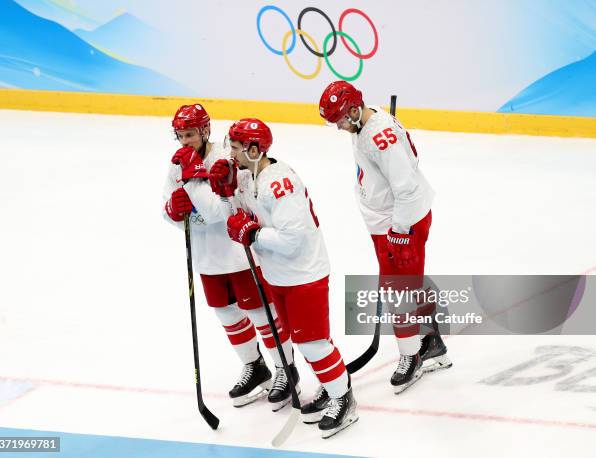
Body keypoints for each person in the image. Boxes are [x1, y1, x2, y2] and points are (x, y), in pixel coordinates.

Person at [208, 118, 358, 438]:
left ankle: (343, 399)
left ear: (253, 149)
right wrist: (224, 196)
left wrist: (254, 235)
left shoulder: (280, 183)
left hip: (304, 275)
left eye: (235, 147)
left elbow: (292, 239)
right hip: (277, 274)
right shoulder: (249, 177)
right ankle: (330, 386)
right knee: (301, 338)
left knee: (313, 342)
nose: (229, 153)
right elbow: (237, 219)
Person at [318, 81, 452, 394]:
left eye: (338, 119)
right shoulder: (363, 124)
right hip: (390, 222)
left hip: (400, 224)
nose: (337, 127)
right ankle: (431, 340)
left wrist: (399, 232)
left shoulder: (378, 136)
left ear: (353, 110)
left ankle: (412, 356)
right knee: (410, 284)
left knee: (398, 294)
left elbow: (406, 188)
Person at [162, 104, 296, 411]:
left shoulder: (225, 159)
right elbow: (166, 205)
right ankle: (255, 366)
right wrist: (173, 210)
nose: (185, 141)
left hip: (238, 254)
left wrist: (194, 181)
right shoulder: (178, 162)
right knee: (227, 315)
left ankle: (285, 370)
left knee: (262, 314)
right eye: (180, 135)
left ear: (205, 130)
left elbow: (218, 212)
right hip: (207, 257)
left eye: (191, 134)